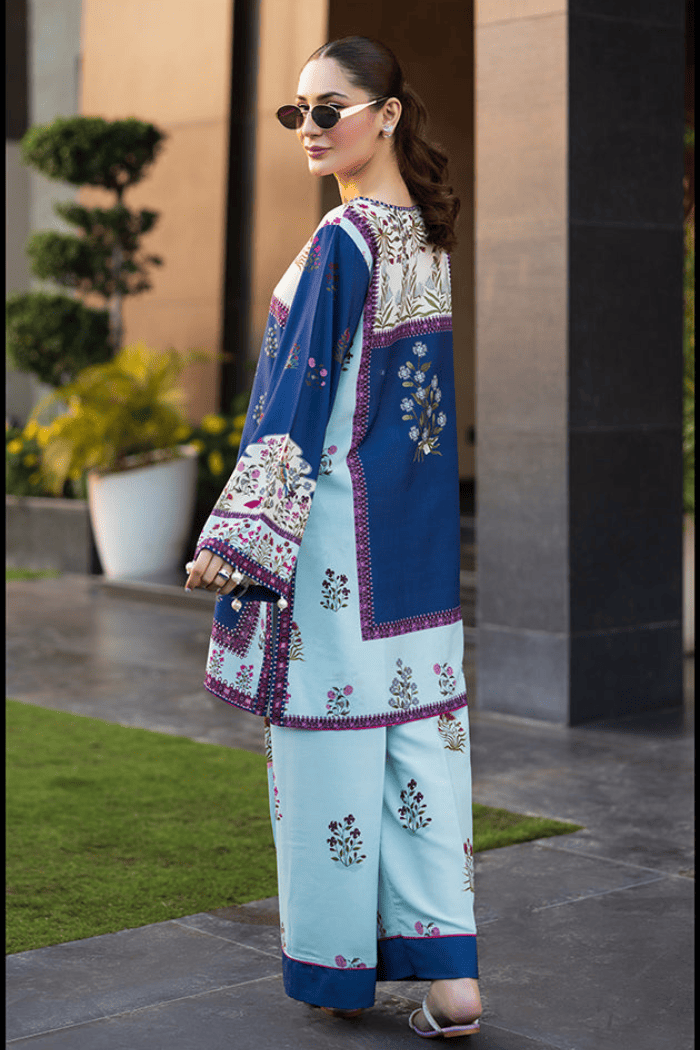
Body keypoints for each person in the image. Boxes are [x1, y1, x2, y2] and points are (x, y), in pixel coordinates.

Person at [185, 35, 482, 1039]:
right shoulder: (423, 238)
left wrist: (238, 536)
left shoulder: (345, 241)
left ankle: (334, 972)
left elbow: (298, 401)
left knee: (327, 756)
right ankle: (452, 988)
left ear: (387, 113)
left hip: (336, 547)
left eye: (329, 109)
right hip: (417, 551)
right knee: (422, 754)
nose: (308, 129)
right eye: (296, 112)